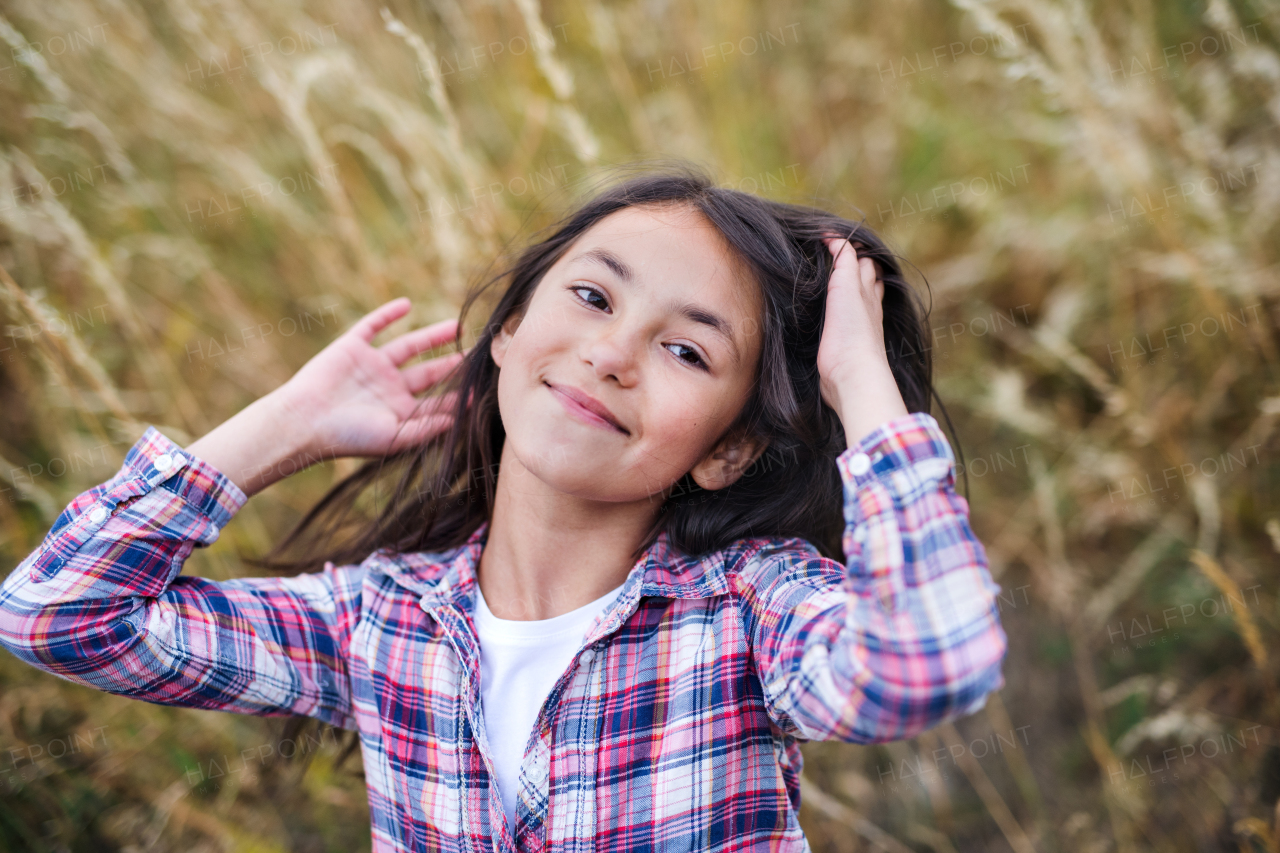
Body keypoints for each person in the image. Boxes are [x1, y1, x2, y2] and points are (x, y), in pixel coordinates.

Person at [0, 167, 1007, 852]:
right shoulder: (378, 623)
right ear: (511, 328)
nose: (610, 354)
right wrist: (285, 427)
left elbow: (933, 658)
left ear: (727, 448)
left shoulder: (747, 614)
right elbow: (58, 617)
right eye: (594, 298)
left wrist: (857, 386)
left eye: (686, 350)